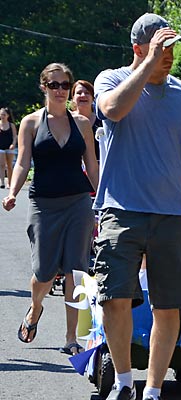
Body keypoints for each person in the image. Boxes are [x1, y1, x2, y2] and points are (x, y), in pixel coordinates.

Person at [92, 13, 181, 400]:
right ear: (139, 48)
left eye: (173, 48)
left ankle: (153, 393)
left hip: (171, 216)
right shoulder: (112, 79)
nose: (169, 56)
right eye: (161, 48)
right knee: (114, 297)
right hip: (121, 208)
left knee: (170, 305)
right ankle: (124, 382)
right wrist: (146, 65)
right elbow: (113, 110)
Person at [2, 63, 98, 356]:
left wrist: (104, 196)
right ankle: (35, 308)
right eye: (54, 85)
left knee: (76, 270)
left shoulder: (81, 123)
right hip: (43, 203)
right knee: (43, 272)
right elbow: (22, 162)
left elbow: (91, 164)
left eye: (65, 85)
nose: (60, 90)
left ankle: (71, 337)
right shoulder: (32, 123)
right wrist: (13, 191)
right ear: (43, 87)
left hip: (78, 201)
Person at [69, 80, 102, 160]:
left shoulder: (102, 121)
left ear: (93, 97)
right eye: (79, 93)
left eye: (87, 93)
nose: (83, 95)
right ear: (73, 98)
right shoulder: (66, 121)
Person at [0, 107, 17, 188]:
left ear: (8, 115)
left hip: (9, 147)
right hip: (1, 147)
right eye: (1, 114)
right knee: (2, 164)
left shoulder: (11, 125)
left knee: (9, 166)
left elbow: (14, 136)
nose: (2, 116)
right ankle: (2, 182)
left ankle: (9, 183)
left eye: (4, 114)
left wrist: (13, 144)